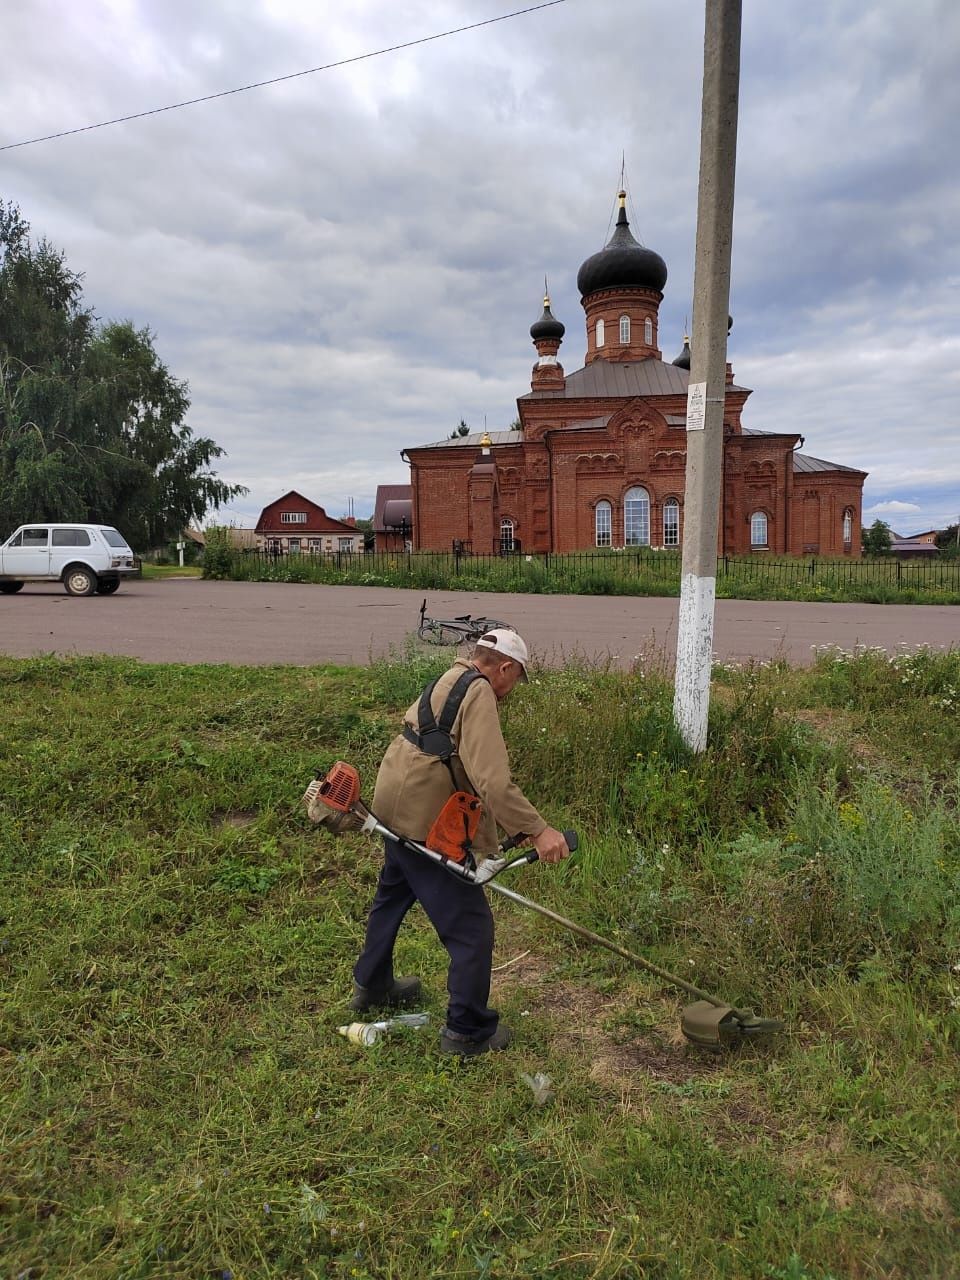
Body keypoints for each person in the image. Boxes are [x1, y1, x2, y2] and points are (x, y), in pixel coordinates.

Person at [351, 628, 569, 1055]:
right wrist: (538, 830)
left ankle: (372, 983)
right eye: (517, 677)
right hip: (423, 820)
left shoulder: (450, 677)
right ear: (504, 667)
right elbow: (493, 780)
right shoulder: (481, 692)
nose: (514, 688)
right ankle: (467, 1031)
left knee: (393, 894)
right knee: (471, 927)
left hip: (392, 802)